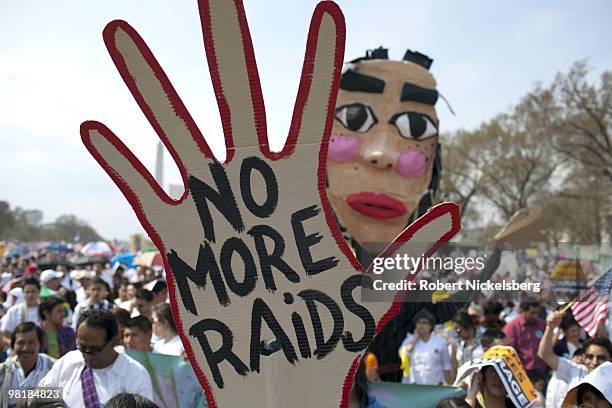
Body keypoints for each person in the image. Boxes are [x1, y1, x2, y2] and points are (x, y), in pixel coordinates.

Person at [39, 309, 154, 406]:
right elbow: (40, 396)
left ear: (114, 341)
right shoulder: (68, 363)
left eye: (94, 349)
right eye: (82, 347)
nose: (87, 354)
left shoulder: (135, 375)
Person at [538, 310, 612, 390]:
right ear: (583, 357)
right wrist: (550, 328)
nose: (594, 362)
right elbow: (545, 354)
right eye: (589, 356)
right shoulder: (576, 370)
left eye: (601, 358)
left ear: (610, 359)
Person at [0, 322, 55, 407]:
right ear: (13, 345)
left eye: (31, 342)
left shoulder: (54, 369)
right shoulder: (3, 372)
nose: (25, 348)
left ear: (40, 344)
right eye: (21, 343)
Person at [399, 310, 452, 385]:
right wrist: (415, 339)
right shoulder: (409, 340)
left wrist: (449, 384)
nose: (421, 325)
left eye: (424, 323)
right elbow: (404, 354)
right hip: (415, 386)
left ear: (431, 326)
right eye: (418, 323)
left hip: (437, 386)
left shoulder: (440, 341)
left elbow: (446, 365)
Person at [503, 298, 548, 384]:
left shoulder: (542, 325)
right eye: (532, 313)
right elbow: (509, 350)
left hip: (540, 371)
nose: (535, 316)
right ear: (523, 311)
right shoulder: (512, 327)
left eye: (537, 313)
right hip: (521, 371)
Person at [1, 278, 41, 347]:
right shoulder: (14, 311)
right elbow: (5, 335)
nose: (30, 295)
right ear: (23, 293)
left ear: (39, 291)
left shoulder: (45, 310)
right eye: (27, 292)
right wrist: (17, 346)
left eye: (33, 291)